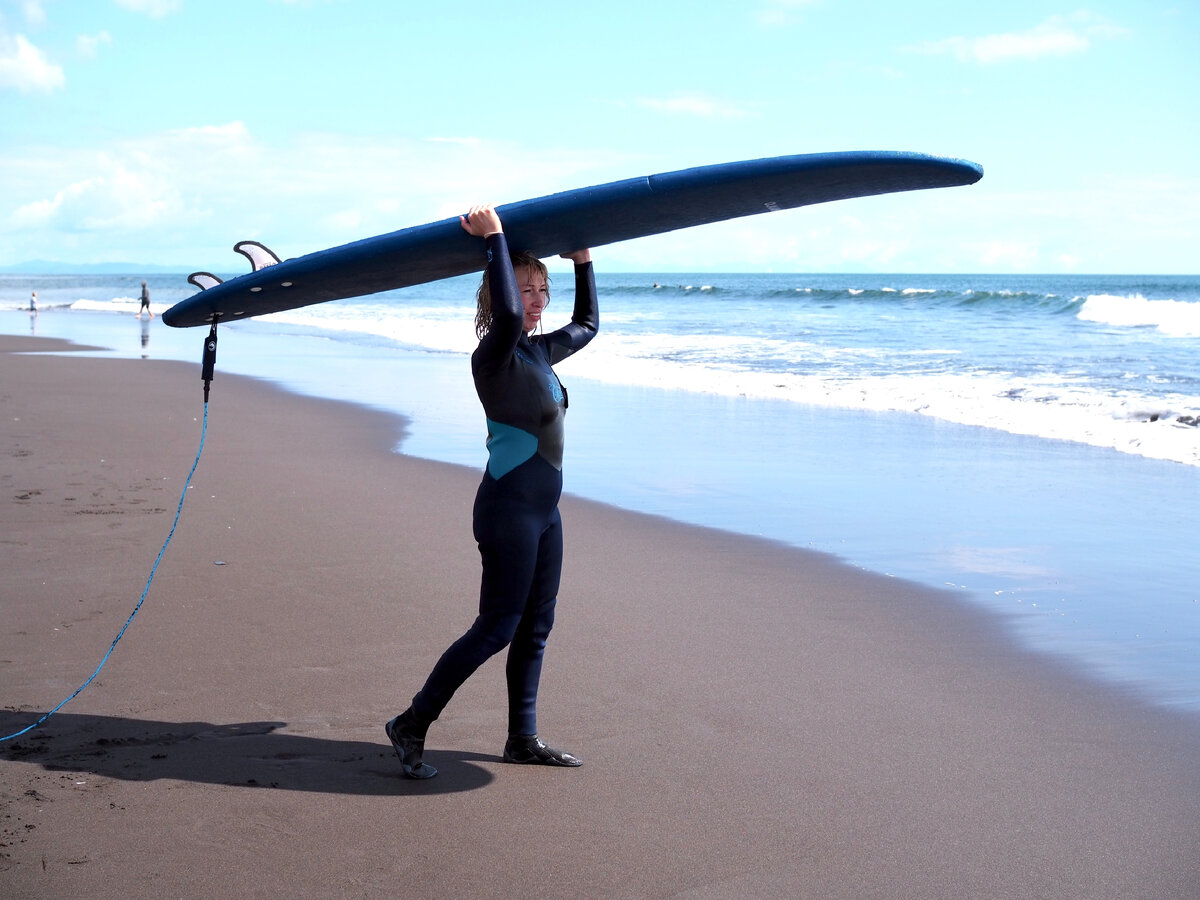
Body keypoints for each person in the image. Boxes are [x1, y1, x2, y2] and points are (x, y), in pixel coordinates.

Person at [385, 204, 597, 779]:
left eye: (540, 290)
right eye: (525, 289)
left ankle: (522, 739)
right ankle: (411, 722)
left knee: (536, 626)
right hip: (508, 510)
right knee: (496, 627)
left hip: (545, 512)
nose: (533, 301)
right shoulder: (495, 353)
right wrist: (495, 238)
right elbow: (505, 313)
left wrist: (583, 260)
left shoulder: (539, 351)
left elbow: (589, 325)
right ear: (501, 293)